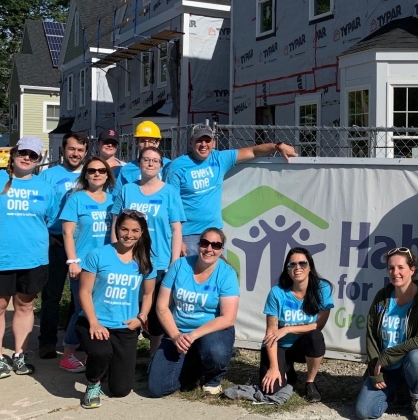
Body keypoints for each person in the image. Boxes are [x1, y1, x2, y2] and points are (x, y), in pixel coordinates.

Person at [0, 138, 57, 379]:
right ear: (14, 153)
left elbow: (49, 220)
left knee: (25, 306)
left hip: (33, 258)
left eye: (33, 155)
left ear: (38, 160)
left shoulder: (44, 188)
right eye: (23, 153)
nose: (27, 158)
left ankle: (19, 355)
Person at [165, 124, 298, 256]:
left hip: (214, 233)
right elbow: (170, 206)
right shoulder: (177, 166)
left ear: (214, 143)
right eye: (199, 140)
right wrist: (178, 239)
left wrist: (279, 146)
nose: (203, 144)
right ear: (191, 142)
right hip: (188, 235)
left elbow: (253, 151)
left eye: (207, 140)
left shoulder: (219, 159)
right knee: (190, 277)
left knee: (219, 275)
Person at [76, 210, 157, 408]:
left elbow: (148, 295)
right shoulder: (98, 254)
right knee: (101, 352)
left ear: (142, 232)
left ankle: (104, 362)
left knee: (121, 390)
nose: (129, 235)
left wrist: (141, 318)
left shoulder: (145, 260)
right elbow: (84, 292)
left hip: (125, 327)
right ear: (117, 229)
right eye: (124, 229)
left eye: (135, 230)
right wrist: (94, 323)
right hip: (94, 322)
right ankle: (93, 383)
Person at [148, 228, 240, 397]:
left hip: (211, 331)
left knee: (216, 351)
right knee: (157, 388)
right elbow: (161, 307)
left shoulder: (227, 274)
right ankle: (194, 363)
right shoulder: (180, 265)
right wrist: (176, 336)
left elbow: (228, 318)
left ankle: (213, 377)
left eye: (216, 245)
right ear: (198, 245)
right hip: (178, 332)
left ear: (221, 249)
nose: (209, 249)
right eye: (205, 243)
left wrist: (193, 336)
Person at [111, 146, 185, 355]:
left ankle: (154, 355)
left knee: (155, 311)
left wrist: (173, 263)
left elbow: (176, 229)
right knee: (129, 306)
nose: (150, 164)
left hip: (159, 261)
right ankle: (124, 353)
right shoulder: (127, 190)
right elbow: (115, 225)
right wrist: (117, 255)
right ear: (139, 163)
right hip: (129, 259)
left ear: (161, 165)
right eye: (146, 160)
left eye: (155, 161)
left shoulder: (170, 192)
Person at [355, 248, 418, 420]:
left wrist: (387, 355)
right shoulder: (382, 297)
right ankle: (397, 392)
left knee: (417, 356)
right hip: (387, 370)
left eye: (401, 267)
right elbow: (371, 335)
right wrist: (374, 371)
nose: (396, 273)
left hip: (411, 364)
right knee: (364, 411)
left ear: (412, 269)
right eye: (391, 268)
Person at [58, 156, 116, 373]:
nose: (97, 174)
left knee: (102, 307)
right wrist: (72, 260)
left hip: (107, 263)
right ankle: (67, 355)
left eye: (102, 170)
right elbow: (67, 232)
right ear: (85, 175)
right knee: (82, 309)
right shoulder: (77, 199)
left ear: (108, 175)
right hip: (83, 264)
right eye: (92, 171)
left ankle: (96, 351)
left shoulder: (113, 199)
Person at [259, 247, 334, 403]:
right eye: (292, 264)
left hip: (302, 345)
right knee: (271, 390)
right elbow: (271, 332)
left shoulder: (323, 289)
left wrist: (287, 329)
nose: (297, 267)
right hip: (279, 345)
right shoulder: (276, 293)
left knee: (316, 337)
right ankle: (286, 368)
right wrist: (273, 367)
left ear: (310, 267)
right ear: (287, 270)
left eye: (302, 263)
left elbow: (318, 325)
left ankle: (310, 382)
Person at [37, 131, 87, 358]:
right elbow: (39, 207)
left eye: (80, 150)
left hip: (81, 243)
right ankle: (47, 341)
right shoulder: (48, 175)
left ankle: (75, 340)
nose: (75, 154)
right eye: (72, 149)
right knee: (52, 295)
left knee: (81, 297)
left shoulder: (90, 173)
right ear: (63, 150)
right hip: (55, 240)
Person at [115, 121, 170, 187]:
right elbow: (118, 195)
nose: (146, 145)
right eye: (142, 141)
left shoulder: (169, 166)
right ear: (136, 143)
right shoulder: (127, 170)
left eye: (151, 141)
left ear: (157, 143)